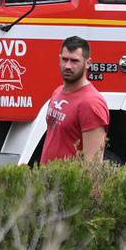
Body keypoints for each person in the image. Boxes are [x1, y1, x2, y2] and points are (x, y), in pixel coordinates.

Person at [40, 35, 109, 164]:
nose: (68, 66)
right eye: (65, 59)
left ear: (88, 63)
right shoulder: (57, 92)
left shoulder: (91, 103)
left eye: (74, 61)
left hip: (70, 183)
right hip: (48, 180)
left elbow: (93, 166)